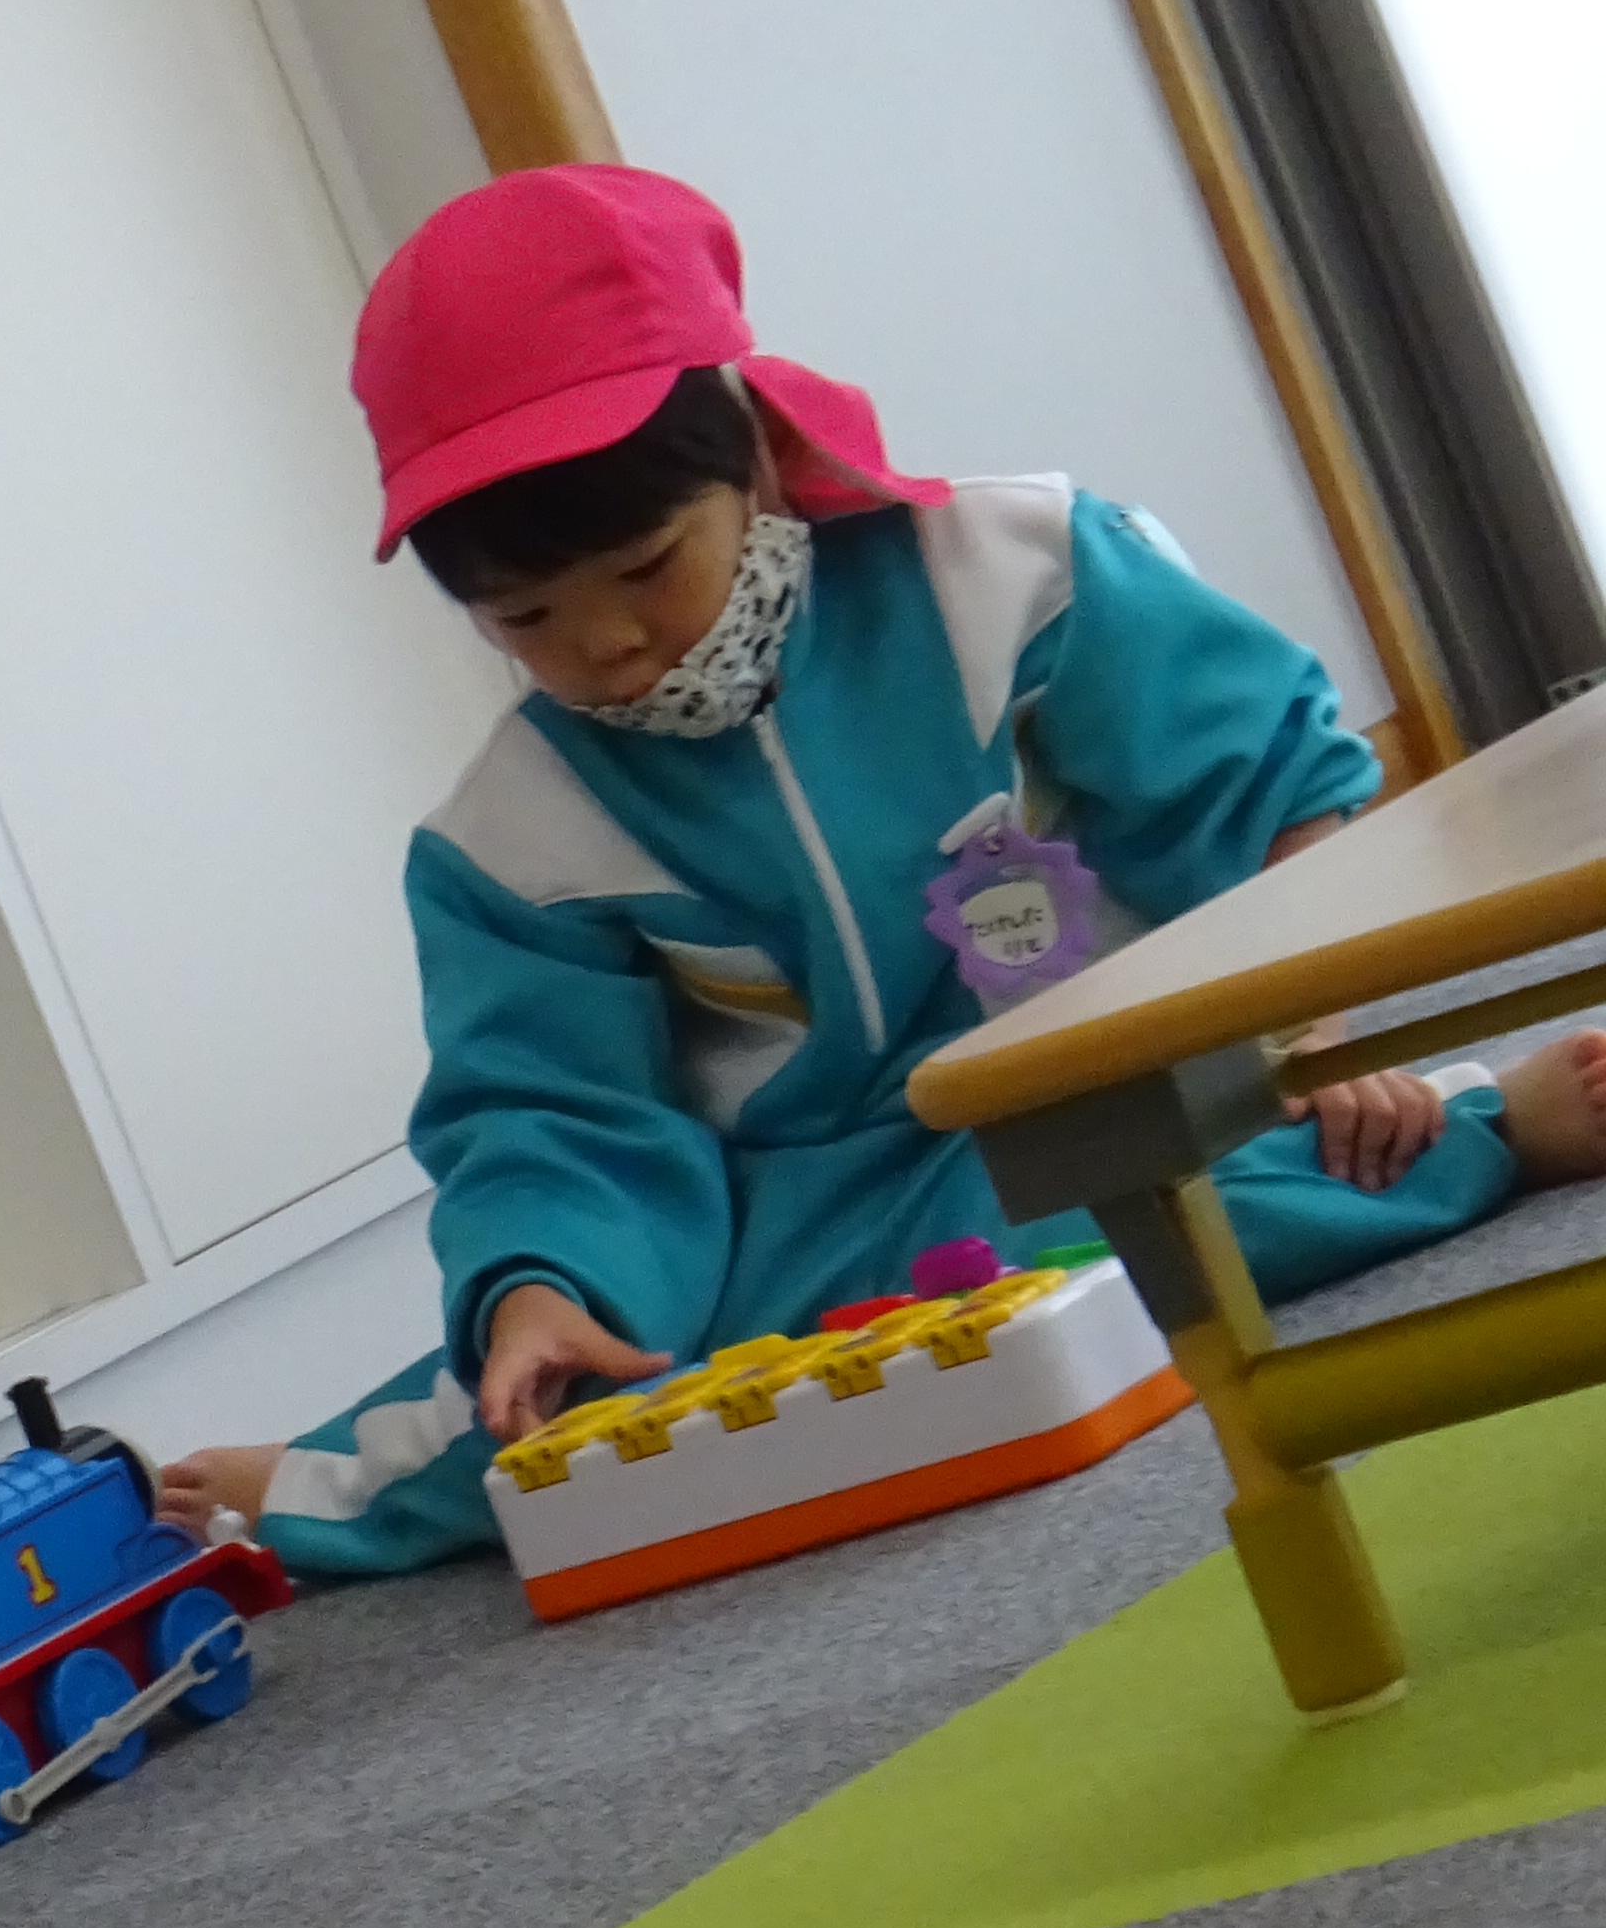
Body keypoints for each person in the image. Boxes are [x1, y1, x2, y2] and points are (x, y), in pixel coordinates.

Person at [156, 163, 1606, 1578]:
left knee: (1181, 1206)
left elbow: (1268, 790)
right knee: (582, 1403)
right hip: (813, 1199)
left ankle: (1485, 1123)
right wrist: (545, 1284)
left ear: (750, 455)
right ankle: (331, 1478)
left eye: (650, 568)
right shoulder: (511, 837)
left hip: (1104, 1079)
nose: (608, 646)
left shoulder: (1014, 572)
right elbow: (556, 1111)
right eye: (526, 617)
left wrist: (1300, 1034)